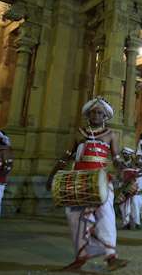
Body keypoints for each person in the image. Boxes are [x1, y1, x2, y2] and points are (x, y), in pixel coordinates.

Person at [46, 97, 127, 272]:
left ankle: (111, 256)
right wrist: (52, 176)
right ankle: (80, 257)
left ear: (105, 116)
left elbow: (117, 158)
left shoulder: (111, 135)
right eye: (93, 112)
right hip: (79, 180)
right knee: (75, 218)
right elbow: (66, 156)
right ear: (88, 115)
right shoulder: (79, 134)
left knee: (106, 216)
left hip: (101, 181)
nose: (96, 115)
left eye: (100, 113)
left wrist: (123, 167)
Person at [118, 147, 142, 230]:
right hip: (124, 186)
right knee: (123, 205)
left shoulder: (135, 163)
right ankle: (125, 223)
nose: (124, 155)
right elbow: (119, 174)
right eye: (123, 154)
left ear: (130, 155)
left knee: (135, 203)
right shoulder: (121, 164)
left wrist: (138, 174)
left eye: (126, 154)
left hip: (133, 186)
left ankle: (137, 223)